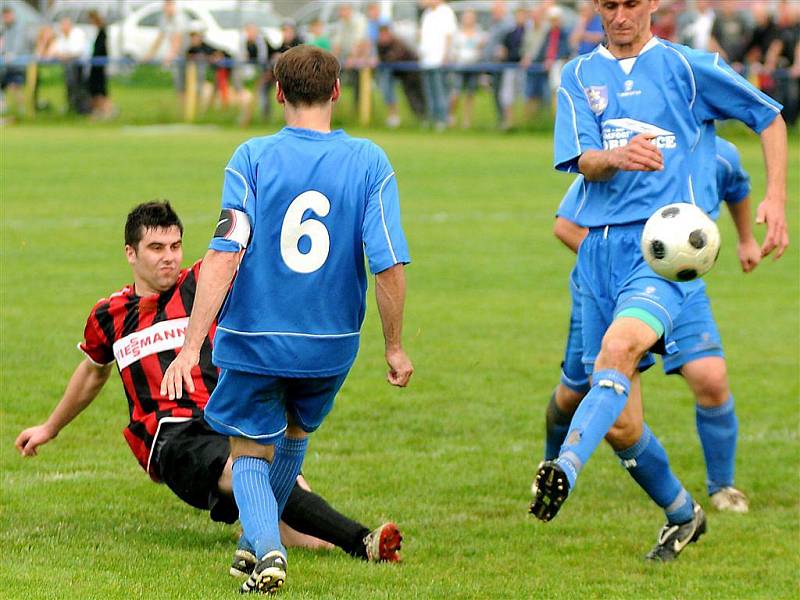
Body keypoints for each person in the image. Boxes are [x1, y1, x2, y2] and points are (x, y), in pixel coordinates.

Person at [15, 202, 405, 580]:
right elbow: (92, 373)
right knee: (253, 477)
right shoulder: (108, 316)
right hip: (173, 439)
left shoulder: (199, 286)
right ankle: (364, 541)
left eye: (175, 246)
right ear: (130, 253)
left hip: (227, 419)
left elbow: (243, 259)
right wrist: (50, 428)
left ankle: (263, 536)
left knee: (310, 535)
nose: (169, 257)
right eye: (155, 248)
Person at [531, 0, 788, 563]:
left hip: (663, 255)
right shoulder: (578, 75)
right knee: (623, 426)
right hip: (597, 251)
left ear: (652, 5)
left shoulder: (689, 66)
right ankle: (682, 514)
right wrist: (615, 156)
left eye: (630, 3)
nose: (620, 15)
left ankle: (564, 469)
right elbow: (582, 161)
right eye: (608, 6)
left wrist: (776, 198)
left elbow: (769, 115)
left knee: (619, 352)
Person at [160, 46, 413, 594]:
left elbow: (226, 252)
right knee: (295, 432)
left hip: (257, 338)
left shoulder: (251, 157)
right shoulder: (370, 161)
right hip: (332, 343)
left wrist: (189, 344)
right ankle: (254, 543)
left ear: (277, 92)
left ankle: (269, 548)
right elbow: (388, 263)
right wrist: (393, 346)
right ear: (338, 91)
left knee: (248, 448)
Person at [538, 136, 761, 522]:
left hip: (681, 288)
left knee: (711, 377)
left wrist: (745, 239)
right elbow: (565, 225)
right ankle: (552, 462)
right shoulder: (632, 149)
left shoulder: (722, 154)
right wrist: (625, 275)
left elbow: (737, 189)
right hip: (604, 288)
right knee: (576, 392)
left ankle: (721, 486)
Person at [418, 0, 457, 131]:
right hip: (426, 61)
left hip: (439, 60)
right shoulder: (427, 13)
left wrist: (446, 55)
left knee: (440, 92)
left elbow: (449, 35)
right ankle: (431, 119)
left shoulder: (446, 11)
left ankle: (442, 119)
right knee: (429, 92)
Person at [376, 24, 426, 125]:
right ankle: (420, 119)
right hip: (400, 74)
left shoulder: (398, 43)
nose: (383, 37)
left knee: (415, 95)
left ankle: (423, 118)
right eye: (382, 35)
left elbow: (391, 58)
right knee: (407, 95)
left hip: (412, 73)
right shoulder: (380, 45)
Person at [143, 0, 190, 103]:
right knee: (179, 86)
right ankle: (183, 112)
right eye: (165, 4)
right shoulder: (164, 18)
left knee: (191, 85)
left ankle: (192, 113)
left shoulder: (180, 18)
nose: (166, 7)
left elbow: (178, 38)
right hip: (178, 56)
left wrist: (170, 56)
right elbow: (159, 38)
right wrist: (149, 54)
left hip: (188, 55)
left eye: (169, 4)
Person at [449, 9, 486, 129]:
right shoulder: (458, 33)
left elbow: (482, 49)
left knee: (470, 94)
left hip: (473, 67)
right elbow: (453, 51)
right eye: (467, 17)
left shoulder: (479, 32)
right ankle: (451, 117)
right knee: (456, 92)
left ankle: (466, 121)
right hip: (459, 67)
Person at [47, 17, 89, 114]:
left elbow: (77, 52)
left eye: (64, 25)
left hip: (80, 69)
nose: (62, 27)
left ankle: (83, 111)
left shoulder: (78, 34)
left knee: (81, 90)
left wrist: (64, 55)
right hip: (70, 69)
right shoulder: (61, 36)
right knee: (70, 88)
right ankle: (72, 109)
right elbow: (54, 51)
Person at [87, 11, 114, 120]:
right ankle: (98, 111)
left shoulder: (102, 32)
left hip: (99, 65)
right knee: (95, 90)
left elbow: (101, 50)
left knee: (101, 89)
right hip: (95, 65)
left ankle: (108, 111)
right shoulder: (98, 32)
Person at [0, 6, 28, 117]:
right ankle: (4, 107)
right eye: (4, 16)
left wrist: (11, 54)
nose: (6, 18)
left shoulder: (20, 29)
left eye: (8, 15)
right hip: (5, 66)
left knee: (16, 85)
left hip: (18, 66)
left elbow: (18, 46)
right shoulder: (4, 29)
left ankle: (22, 112)